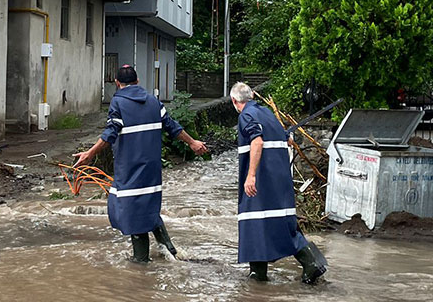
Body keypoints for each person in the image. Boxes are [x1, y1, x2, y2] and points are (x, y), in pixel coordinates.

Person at [73, 64, 208, 262]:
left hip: (130, 168)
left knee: (131, 212)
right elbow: (172, 127)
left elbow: (111, 132)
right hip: (152, 169)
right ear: (137, 82)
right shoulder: (154, 102)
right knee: (147, 207)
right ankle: (170, 251)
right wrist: (193, 142)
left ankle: (140, 263)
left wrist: (90, 153)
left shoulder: (118, 103)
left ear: (117, 83)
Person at [230, 82, 327, 284]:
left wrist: (251, 175)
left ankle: (258, 277)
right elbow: (288, 139)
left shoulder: (246, 116)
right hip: (279, 180)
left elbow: (257, 141)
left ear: (234, 101)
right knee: (281, 223)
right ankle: (310, 264)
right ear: (252, 96)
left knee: (253, 222)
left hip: (262, 181)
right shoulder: (267, 113)